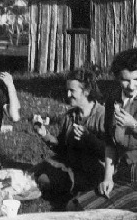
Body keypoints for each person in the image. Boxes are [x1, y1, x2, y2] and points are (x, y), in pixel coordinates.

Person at [68, 48, 137, 212]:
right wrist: (108, 178)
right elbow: (110, 144)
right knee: (77, 201)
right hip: (122, 173)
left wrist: (135, 126)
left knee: (81, 207)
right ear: (117, 77)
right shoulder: (113, 100)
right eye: (125, 80)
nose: (131, 86)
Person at [33, 68, 107, 197]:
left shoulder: (103, 116)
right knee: (35, 173)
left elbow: (111, 155)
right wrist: (44, 134)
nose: (67, 95)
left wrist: (90, 139)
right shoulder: (69, 116)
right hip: (71, 166)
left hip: (95, 172)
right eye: (67, 90)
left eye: (72, 91)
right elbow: (62, 148)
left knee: (42, 179)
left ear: (87, 91)